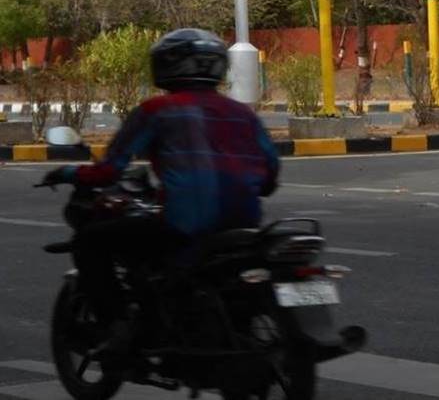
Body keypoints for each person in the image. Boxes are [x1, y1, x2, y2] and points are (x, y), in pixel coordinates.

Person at [41, 28, 280, 355]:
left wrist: (67, 172)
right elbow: (271, 171)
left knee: (90, 241)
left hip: (185, 225)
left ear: (166, 66)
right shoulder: (243, 113)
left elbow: (109, 170)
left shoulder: (155, 111)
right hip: (243, 225)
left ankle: (117, 328)